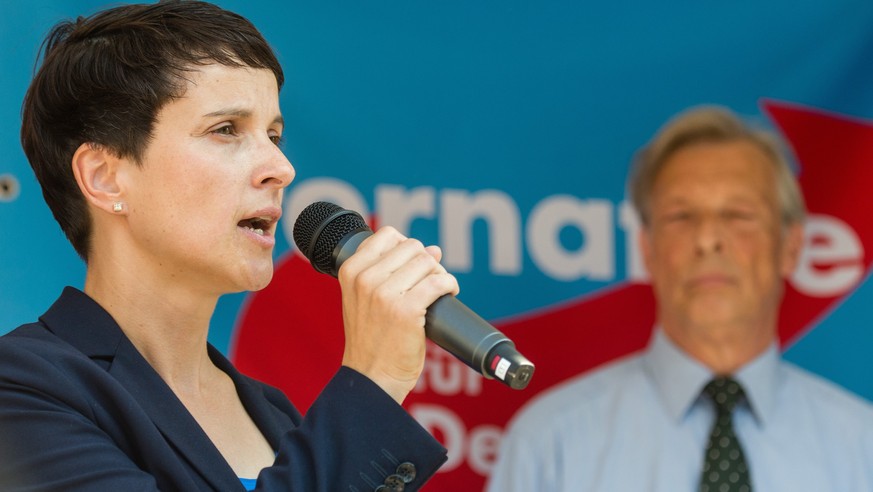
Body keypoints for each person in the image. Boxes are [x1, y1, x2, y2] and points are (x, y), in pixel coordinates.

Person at [0, 2, 460, 491]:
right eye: (225, 130)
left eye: (275, 134)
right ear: (106, 178)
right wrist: (375, 381)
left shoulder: (273, 412)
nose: (281, 168)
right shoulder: (22, 387)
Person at [486, 106, 873, 491]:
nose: (707, 240)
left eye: (738, 214)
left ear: (791, 247)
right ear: (647, 249)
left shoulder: (861, 447)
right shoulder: (551, 444)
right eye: (681, 216)